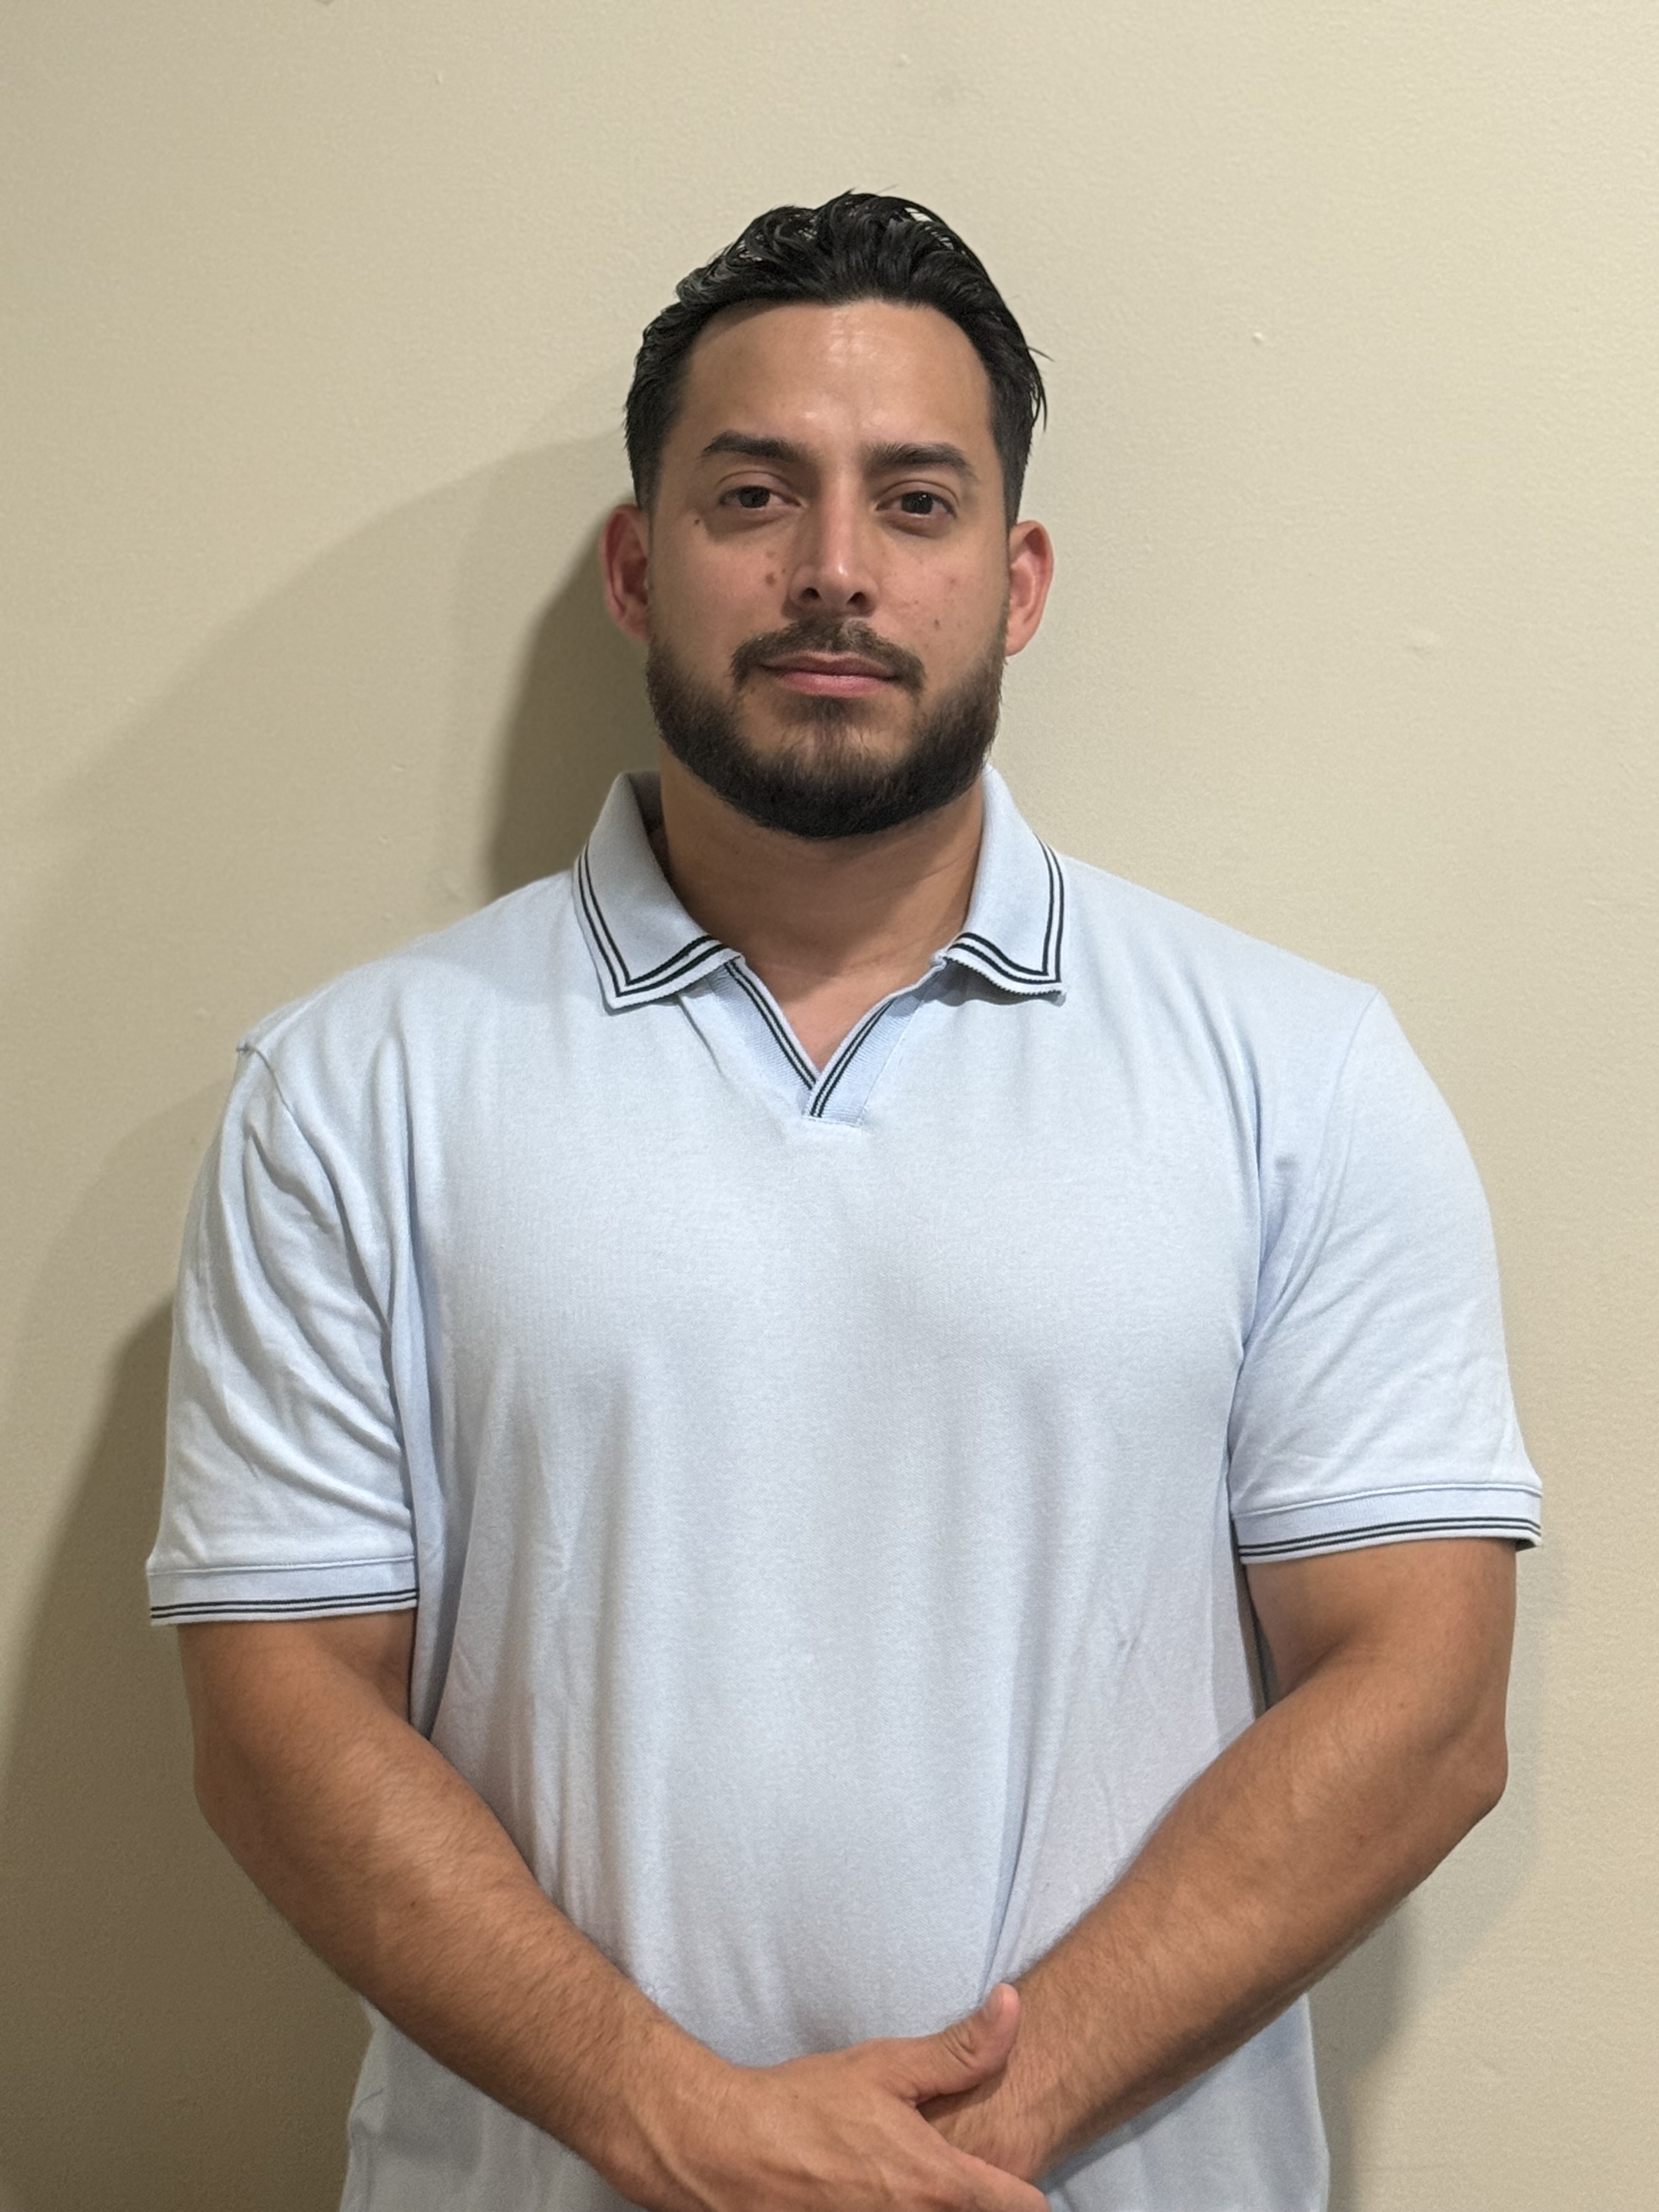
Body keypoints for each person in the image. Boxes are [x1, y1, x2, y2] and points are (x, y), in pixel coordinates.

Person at [149, 194, 1541, 2212]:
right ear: (639, 566)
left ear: (1018, 575)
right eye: (751, 496)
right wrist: (679, 2124)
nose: (833, 574)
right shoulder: (359, 1089)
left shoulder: (1297, 1076)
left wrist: (959, 2140)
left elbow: (1423, 1700)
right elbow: (279, 1716)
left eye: (914, 501)